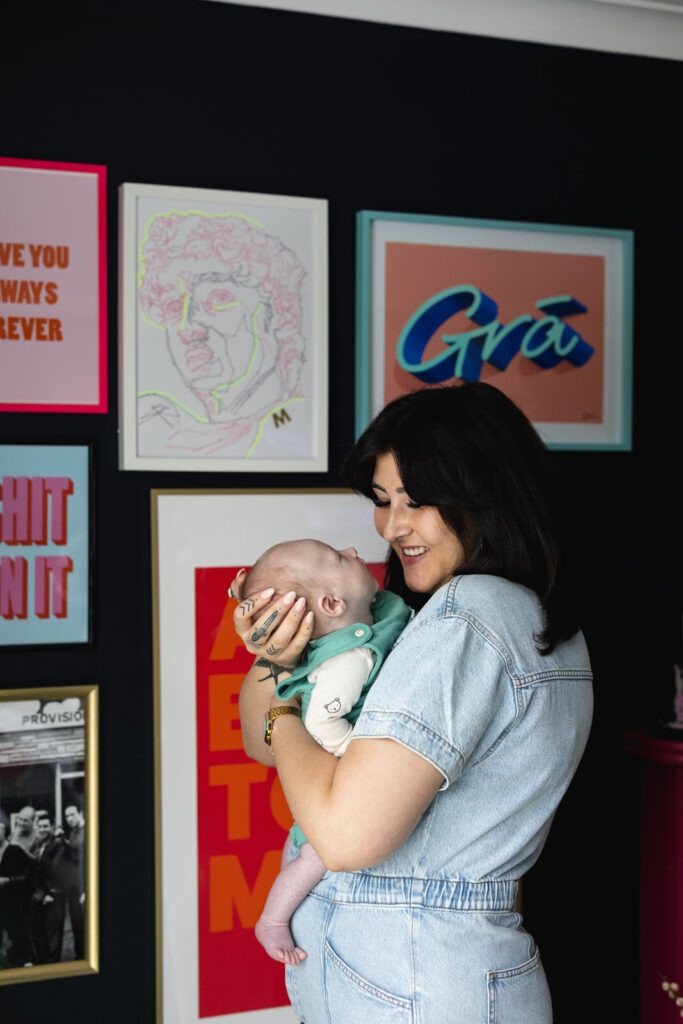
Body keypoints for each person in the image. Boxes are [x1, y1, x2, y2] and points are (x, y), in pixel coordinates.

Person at [234, 382, 593, 1024]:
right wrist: (282, 658)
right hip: (422, 967)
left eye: (418, 502)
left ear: (488, 493)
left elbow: (344, 835)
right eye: (383, 501)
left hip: (414, 971)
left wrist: (286, 703)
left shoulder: (470, 614)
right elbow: (260, 747)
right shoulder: (507, 615)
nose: (393, 527)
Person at [239, 538, 412, 964]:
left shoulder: (374, 614)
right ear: (333, 604)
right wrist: (357, 754)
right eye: (339, 557)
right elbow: (315, 725)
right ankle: (273, 921)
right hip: (334, 794)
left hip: (343, 805)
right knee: (311, 856)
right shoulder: (347, 658)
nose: (354, 550)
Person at [136, 211, 307, 460]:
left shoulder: (291, 423)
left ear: (275, 315)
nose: (188, 328)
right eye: (174, 308)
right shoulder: (161, 424)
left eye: (218, 300)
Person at [29, 815, 67, 964]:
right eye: (40, 826)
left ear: (51, 827)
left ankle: (53, 965)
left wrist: (49, 892)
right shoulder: (38, 843)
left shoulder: (58, 844)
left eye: (46, 826)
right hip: (40, 892)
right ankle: (44, 961)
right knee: (40, 930)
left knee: (54, 931)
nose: (43, 829)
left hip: (53, 893)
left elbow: (57, 871)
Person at [0, 819, 35, 968]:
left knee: (17, 929)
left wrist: (8, 880)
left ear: (4, 832)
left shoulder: (15, 850)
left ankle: (27, 959)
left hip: (13, 899)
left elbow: (27, 874)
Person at [62, 804, 85, 959]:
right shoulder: (73, 832)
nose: (69, 818)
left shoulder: (87, 832)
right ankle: (79, 954)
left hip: (83, 885)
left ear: (79, 813)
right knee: (76, 921)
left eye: (72, 814)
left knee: (85, 921)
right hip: (73, 885)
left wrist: (86, 890)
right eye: (67, 816)